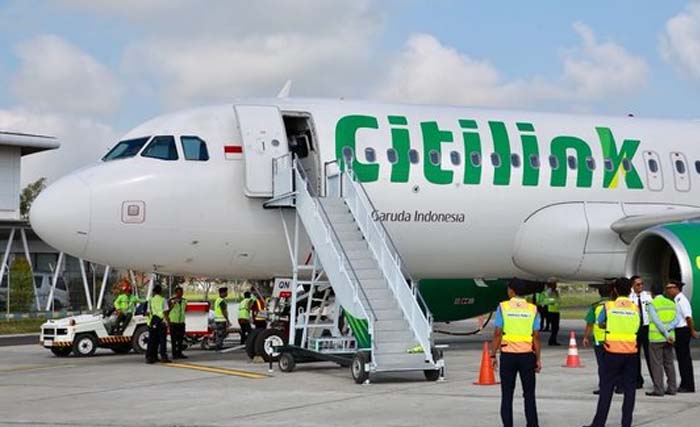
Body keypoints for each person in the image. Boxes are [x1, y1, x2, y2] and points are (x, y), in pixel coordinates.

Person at [583, 277, 640, 427]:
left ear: (615, 290)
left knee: (606, 389)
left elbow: (600, 323)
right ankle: (626, 423)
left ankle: (599, 423)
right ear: (630, 290)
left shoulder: (609, 307)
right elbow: (638, 326)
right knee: (629, 390)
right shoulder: (635, 308)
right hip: (631, 352)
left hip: (612, 351)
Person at [491, 278, 541, 427]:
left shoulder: (503, 307)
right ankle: (532, 424)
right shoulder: (532, 309)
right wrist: (537, 359)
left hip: (508, 356)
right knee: (529, 394)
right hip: (527, 355)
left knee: (507, 395)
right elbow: (536, 337)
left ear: (511, 291)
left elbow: (498, 333)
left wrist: (493, 354)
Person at [645, 282, 678, 396]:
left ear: (652, 293)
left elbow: (656, 321)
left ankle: (658, 389)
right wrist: (668, 332)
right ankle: (672, 388)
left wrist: (664, 332)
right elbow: (677, 319)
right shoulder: (671, 303)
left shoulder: (652, 304)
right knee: (669, 363)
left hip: (656, 338)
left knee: (657, 364)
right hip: (669, 338)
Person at [665, 280, 697, 393]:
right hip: (679, 331)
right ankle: (686, 383)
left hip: (683, 331)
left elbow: (688, 317)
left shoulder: (681, 300)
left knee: (684, 360)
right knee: (682, 359)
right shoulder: (676, 300)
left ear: (676, 288)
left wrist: (692, 331)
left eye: (670, 287)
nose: (668, 290)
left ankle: (688, 385)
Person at [582, 284, 611, 395]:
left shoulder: (595, 307)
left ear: (599, 293)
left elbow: (590, 323)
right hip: (612, 339)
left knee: (602, 365)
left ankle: (603, 386)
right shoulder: (613, 305)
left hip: (599, 340)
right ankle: (618, 386)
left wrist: (585, 337)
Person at [629, 275, 653, 389]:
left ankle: (655, 380)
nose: (641, 286)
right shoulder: (629, 298)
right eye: (638, 284)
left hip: (646, 328)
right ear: (632, 285)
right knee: (635, 357)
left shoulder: (647, 296)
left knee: (651, 356)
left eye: (642, 284)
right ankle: (638, 380)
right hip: (635, 329)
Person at [146, 285, 171, 364]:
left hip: (152, 321)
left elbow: (147, 312)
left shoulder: (150, 300)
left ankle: (150, 357)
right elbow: (165, 312)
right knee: (162, 340)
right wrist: (168, 322)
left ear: (154, 291)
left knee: (152, 340)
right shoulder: (163, 300)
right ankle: (163, 357)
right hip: (161, 321)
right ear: (160, 291)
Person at [168, 286, 188, 359]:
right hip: (173, 322)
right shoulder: (171, 300)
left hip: (181, 322)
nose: (181, 294)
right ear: (176, 293)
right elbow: (167, 310)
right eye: (179, 292)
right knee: (173, 339)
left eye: (182, 292)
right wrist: (173, 305)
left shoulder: (184, 301)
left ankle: (179, 353)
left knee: (180, 339)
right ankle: (174, 353)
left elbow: (185, 309)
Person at [544, 281, 561, 346]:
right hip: (551, 311)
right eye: (554, 284)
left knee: (556, 327)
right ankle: (551, 341)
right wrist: (553, 301)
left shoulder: (556, 292)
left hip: (556, 311)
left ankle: (553, 340)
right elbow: (546, 300)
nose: (556, 286)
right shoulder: (549, 291)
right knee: (554, 327)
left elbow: (558, 300)